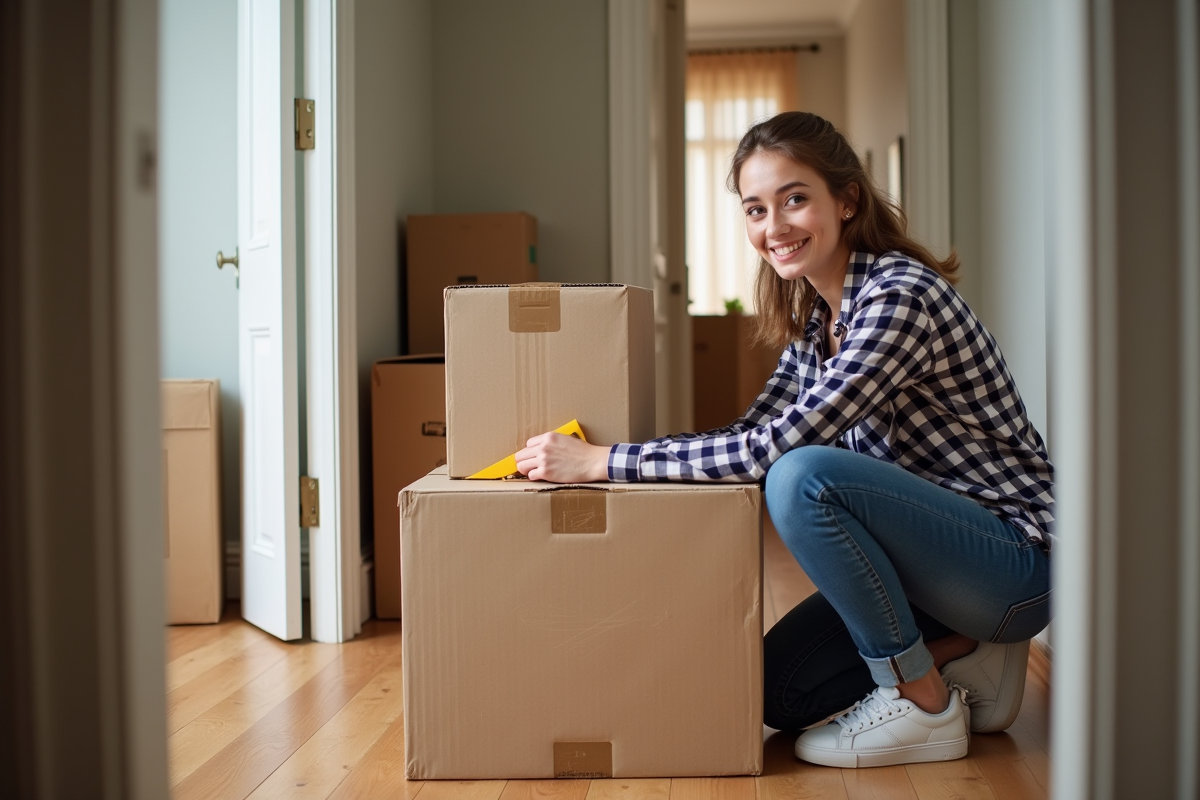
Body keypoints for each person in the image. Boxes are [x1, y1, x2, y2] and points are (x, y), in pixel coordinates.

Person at [513, 111, 1053, 769]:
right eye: (755, 209)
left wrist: (606, 462)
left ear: (846, 199)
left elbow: (778, 452)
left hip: (1011, 563)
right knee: (781, 690)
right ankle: (960, 652)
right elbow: (749, 433)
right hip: (928, 571)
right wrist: (629, 463)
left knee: (803, 476)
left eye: (795, 199)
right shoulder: (817, 320)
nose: (774, 227)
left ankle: (922, 703)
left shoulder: (898, 296)